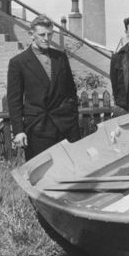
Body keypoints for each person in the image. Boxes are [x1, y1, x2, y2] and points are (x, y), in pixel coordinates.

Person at [7, 15, 81, 160]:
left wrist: (71, 114)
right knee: (42, 173)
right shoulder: (18, 62)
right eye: (42, 34)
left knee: (70, 169)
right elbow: (14, 100)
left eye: (49, 34)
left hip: (65, 125)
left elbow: (71, 90)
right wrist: (18, 131)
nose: (46, 38)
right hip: (38, 128)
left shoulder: (60, 57)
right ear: (31, 35)